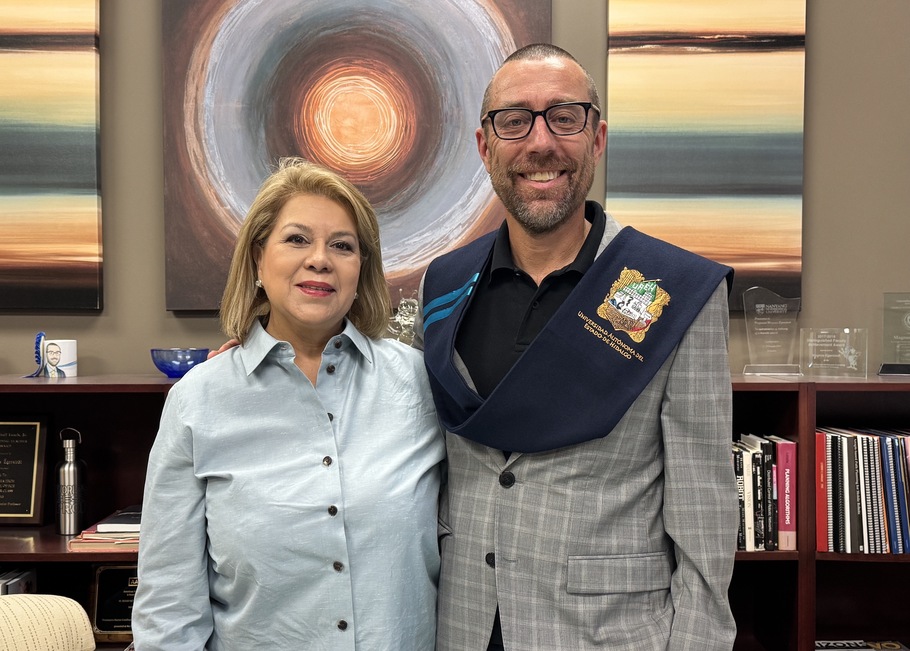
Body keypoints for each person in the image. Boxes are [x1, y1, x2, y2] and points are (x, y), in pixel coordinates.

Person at [415, 44, 738, 650]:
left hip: (608, 634)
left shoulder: (672, 289)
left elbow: (704, 508)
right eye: (514, 120)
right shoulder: (444, 283)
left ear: (597, 138)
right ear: (485, 146)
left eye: (564, 117)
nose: (540, 143)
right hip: (462, 625)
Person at [132, 158, 445, 650]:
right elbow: (169, 609)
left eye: (342, 245)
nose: (320, 259)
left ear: (361, 269)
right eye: (297, 239)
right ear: (258, 258)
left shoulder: (419, 383)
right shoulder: (198, 400)